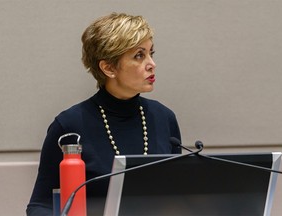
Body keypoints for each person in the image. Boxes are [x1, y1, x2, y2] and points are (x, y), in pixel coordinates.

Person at [26, 12, 181, 216]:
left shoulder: (163, 118)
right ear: (108, 68)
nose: (152, 63)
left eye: (151, 53)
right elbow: (41, 205)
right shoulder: (69, 126)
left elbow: (178, 198)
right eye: (139, 55)